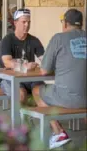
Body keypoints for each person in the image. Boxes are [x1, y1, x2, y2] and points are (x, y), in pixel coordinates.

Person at [32, 9, 86, 149]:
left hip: (66, 97)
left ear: (65, 23)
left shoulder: (58, 38)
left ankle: (58, 133)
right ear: (81, 24)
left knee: (36, 90)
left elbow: (44, 71)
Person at [0, 8, 45, 105]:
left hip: (30, 78)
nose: (27, 25)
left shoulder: (34, 40)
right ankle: (21, 120)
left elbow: (44, 59)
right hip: (10, 78)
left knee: (41, 93)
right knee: (21, 95)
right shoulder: (8, 40)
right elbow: (7, 62)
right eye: (24, 22)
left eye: (29, 22)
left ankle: (52, 120)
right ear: (15, 23)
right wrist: (24, 67)